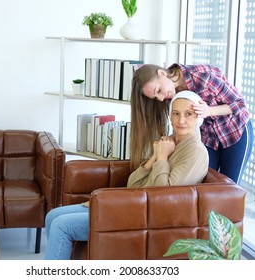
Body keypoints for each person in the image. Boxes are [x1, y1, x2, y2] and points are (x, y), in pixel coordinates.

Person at [44, 91, 209, 260]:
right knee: (52, 216)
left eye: (188, 114)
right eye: (176, 113)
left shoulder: (195, 151)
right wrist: (154, 156)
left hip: (149, 216)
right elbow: (133, 183)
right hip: (134, 205)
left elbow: (165, 194)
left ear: (198, 118)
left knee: (61, 225)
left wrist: (161, 157)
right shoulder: (170, 142)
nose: (181, 120)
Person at [130, 63, 253, 184]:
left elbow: (241, 104)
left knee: (229, 187)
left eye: (158, 90)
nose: (161, 98)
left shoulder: (202, 76)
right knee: (206, 183)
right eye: (156, 97)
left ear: (162, 73)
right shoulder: (169, 95)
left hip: (234, 131)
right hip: (209, 138)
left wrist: (210, 111)